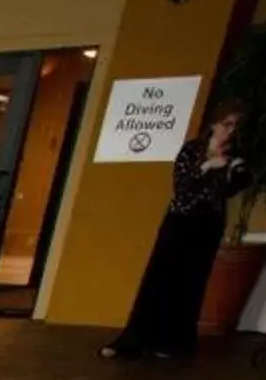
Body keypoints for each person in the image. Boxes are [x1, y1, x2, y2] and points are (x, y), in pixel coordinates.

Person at [104, 105, 248, 358]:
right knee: (160, 279)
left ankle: (173, 343)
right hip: (180, 220)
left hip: (208, 224)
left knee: (190, 283)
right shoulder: (192, 150)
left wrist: (233, 170)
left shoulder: (233, 156)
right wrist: (207, 165)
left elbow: (232, 189)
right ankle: (137, 340)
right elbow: (182, 187)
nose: (230, 131)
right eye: (226, 124)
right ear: (214, 125)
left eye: (235, 126)